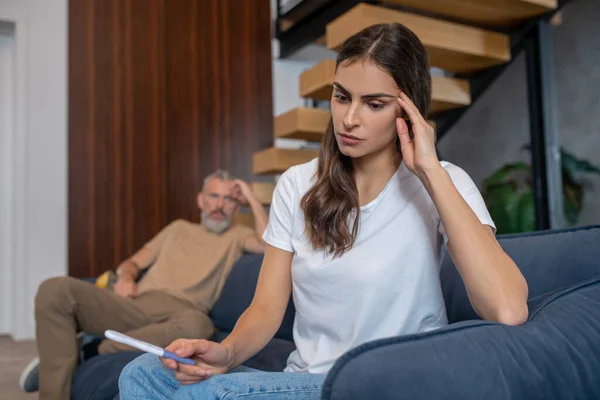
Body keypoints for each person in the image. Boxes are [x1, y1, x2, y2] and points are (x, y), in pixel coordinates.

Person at [119, 23, 529, 399]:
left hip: (383, 383)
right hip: (304, 380)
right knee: (140, 374)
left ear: (409, 112)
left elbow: (507, 309)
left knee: (205, 397)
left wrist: (430, 173)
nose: (349, 119)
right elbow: (265, 308)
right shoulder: (298, 184)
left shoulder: (445, 182)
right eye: (341, 96)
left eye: (374, 104)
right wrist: (225, 353)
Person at [20, 170, 269, 400]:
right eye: (213, 196)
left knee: (199, 324)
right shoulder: (178, 229)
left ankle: (87, 349)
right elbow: (132, 263)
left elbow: (270, 244)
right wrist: (127, 278)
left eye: (229, 200)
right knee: (55, 289)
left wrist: (251, 198)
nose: (219, 205)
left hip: (181, 314)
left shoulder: (237, 237)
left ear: (237, 207)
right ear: (200, 200)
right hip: (136, 304)